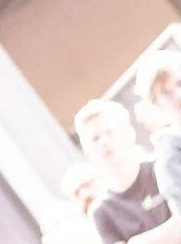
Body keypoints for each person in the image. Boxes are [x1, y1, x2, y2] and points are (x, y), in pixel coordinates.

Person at [74, 99, 180, 244]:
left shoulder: (165, 168)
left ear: (129, 132)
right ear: (87, 150)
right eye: (95, 138)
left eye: (109, 132)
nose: (104, 142)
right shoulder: (102, 211)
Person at [135, 50, 181, 214]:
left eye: (180, 83)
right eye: (166, 92)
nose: (178, 95)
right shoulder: (170, 160)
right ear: (156, 103)